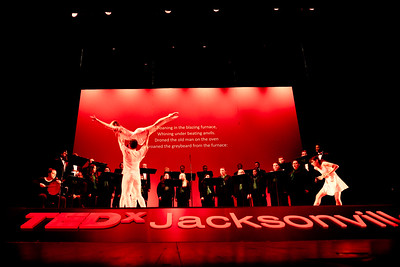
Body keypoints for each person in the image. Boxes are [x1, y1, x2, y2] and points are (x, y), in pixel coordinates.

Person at [91, 112, 179, 207]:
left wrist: (97, 120)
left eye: (114, 128)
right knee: (134, 195)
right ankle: (137, 209)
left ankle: (126, 210)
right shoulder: (135, 146)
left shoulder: (121, 130)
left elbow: (109, 127)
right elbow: (148, 139)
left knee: (126, 195)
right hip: (135, 170)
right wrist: (167, 119)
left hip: (138, 137)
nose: (114, 131)